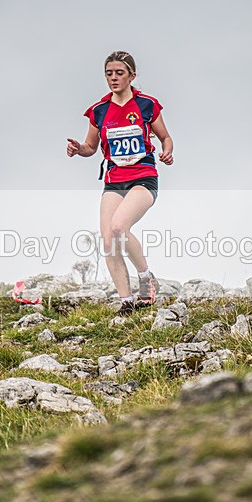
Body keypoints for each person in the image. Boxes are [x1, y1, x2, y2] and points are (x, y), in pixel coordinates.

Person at [67, 51, 174, 316]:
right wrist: (78, 149)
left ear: (132, 76)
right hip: (114, 180)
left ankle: (147, 279)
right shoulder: (99, 110)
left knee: (118, 226)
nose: (113, 78)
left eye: (119, 73)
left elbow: (165, 137)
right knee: (107, 240)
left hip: (143, 177)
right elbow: (91, 146)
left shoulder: (147, 105)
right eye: (109, 73)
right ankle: (127, 302)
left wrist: (168, 151)